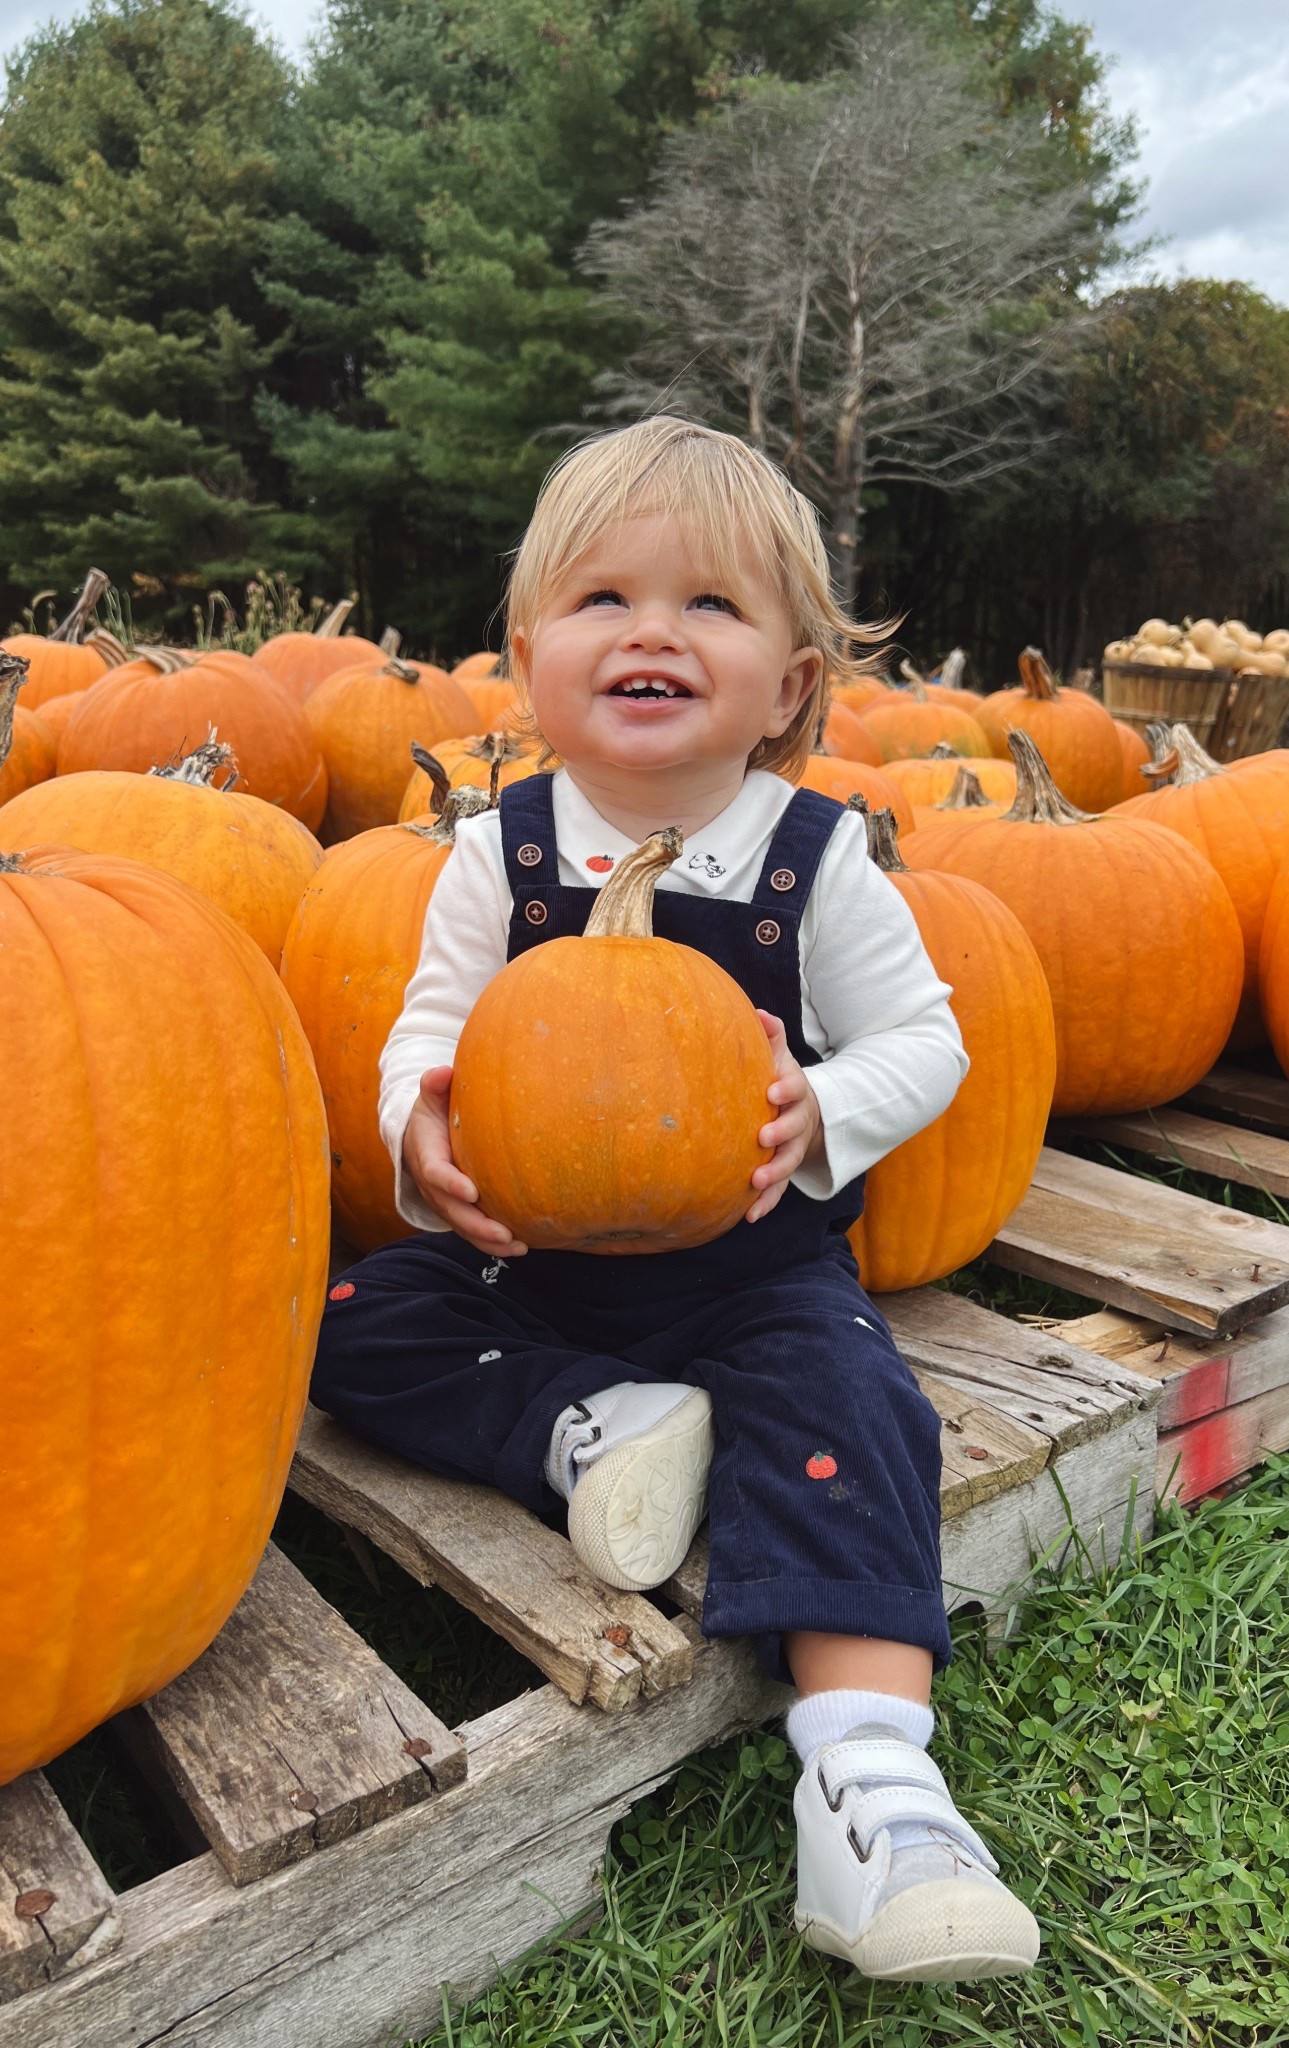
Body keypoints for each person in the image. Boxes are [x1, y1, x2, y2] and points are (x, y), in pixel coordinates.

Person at [311, 417, 1041, 1982]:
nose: (653, 630)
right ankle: (588, 1425)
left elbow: (930, 1038)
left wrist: (821, 1110)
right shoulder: (490, 859)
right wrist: (420, 1132)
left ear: (789, 683)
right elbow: (427, 1036)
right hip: (537, 1277)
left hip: (753, 1272)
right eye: (604, 601)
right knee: (356, 1325)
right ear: (527, 660)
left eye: (711, 605)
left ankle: (872, 1780)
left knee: (855, 1403)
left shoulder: (811, 860)